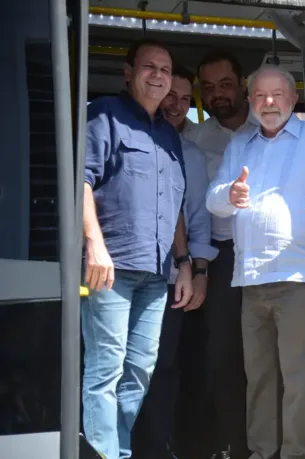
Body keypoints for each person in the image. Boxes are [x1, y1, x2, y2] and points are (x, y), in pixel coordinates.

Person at [205, 64, 305, 459]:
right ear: (250, 100)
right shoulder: (241, 144)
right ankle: (261, 453)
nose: (268, 102)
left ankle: (295, 455)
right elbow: (214, 197)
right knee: (259, 378)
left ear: (292, 99)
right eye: (259, 95)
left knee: (299, 378)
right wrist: (230, 196)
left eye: (277, 95)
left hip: (302, 276)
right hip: (251, 278)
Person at [81, 38, 194, 459]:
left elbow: (175, 206)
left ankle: (116, 450)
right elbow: (81, 182)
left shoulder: (169, 135)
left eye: (165, 70)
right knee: (104, 370)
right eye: (150, 67)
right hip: (110, 269)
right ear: (129, 72)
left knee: (140, 371)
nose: (158, 76)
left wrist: (183, 263)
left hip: (157, 274)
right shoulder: (103, 116)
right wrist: (94, 244)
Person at [132, 64, 219, 459]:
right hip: (121, 272)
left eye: (186, 99)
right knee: (121, 368)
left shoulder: (192, 154)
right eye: (172, 96)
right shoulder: (124, 133)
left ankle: (156, 449)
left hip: (173, 277)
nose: (178, 106)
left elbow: (198, 218)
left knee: (164, 368)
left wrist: (198, 271)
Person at [183, 49, 253, 459]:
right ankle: (234, 447)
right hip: (220, 257)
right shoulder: (194, 138)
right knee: (225, 357)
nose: (217, 94)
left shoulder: (270, 131)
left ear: (242, 84)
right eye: (207, 88)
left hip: (269, 258)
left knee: (269, 358)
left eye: (225, 84)